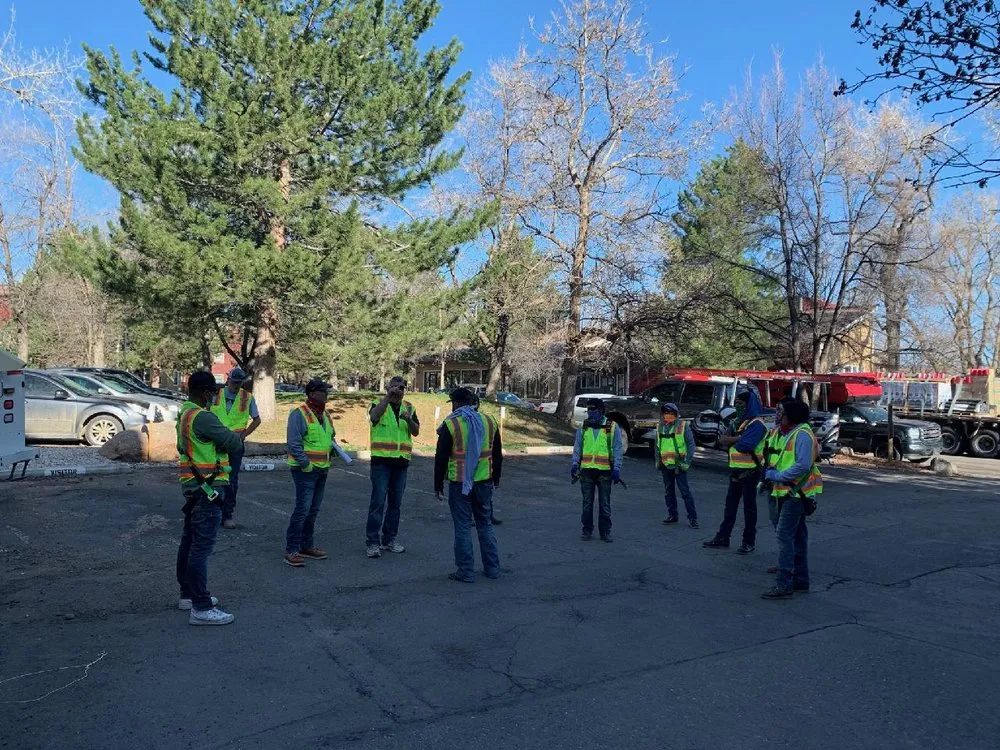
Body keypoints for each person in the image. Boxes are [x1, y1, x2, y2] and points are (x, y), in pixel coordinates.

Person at [175, 370, 243, 626]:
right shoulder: (203, 417)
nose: (216, 396)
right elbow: (234, 443)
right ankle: (201, 607)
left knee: (189, 542)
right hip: (208, 488)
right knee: (201, 548)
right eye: (214, 392)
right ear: (205, 392)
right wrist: (227, 438)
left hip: (194, 486)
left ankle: (188, 596)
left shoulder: (185, 413)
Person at [434, 387, 503, 583]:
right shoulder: (489, 421)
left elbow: (441, 458)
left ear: (455, 403)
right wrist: (496, 477)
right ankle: (492, 568)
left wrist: (438, 484)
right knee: (485, 525)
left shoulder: (451, 424)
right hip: (484, 482)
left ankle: (465, 570)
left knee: (463, 527)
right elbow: (497, 453)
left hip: (460, 483)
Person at [761, 399, 823, 599]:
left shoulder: (802, 435)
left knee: (784, 536)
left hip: (796, 493)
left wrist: (776, 476)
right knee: (797, 536)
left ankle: (784, 583)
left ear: (792, 416)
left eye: (781, 412)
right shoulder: (781, 433)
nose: (778, 415)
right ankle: (800, 579)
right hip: (783, 491)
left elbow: (802, 466)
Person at [703, 388, 767, 554]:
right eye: (736, 403)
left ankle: (748, 541)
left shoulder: (757, 424)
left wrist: (734, 440)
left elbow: (745, 445)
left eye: (741, 403)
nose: (738, 406)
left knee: (749, 509)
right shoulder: (740, 422)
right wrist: (737, 438)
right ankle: (723, 537)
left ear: (749, 404)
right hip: (736, 470)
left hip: (751, 472)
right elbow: (721, 440)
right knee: (730, 507)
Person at [366, 376, 419, 559]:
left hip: (401, 462)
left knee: (395, 504)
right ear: (388, 388)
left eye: (402, 388)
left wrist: (408, 419)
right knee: (378, 502)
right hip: (381, 462)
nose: (398, 391)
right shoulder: (377, 404)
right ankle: (373, 542)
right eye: (395, 387)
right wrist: (387, 398)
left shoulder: (409, 408)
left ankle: (390, 539)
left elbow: (416, 431)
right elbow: (373, 417)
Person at [284, 379, 335, 568]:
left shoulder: (325, 414)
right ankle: (292, 550)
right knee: (302, 510)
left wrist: (334, 449)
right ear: (312, 393)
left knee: (313, 510)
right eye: (324, 391)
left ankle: (307, 545)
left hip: (322, 469)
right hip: (305, 471)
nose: (327, 394)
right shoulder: (299, 414)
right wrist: (306, 464)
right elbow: (293, 444)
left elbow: (330, 437)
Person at [210, 367, 261, 529]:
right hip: (215, 443)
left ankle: (227, 515)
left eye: (239, 383)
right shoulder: (215, 394)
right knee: (213, 478)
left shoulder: (247, 397)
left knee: (231, 481)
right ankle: (213, 513)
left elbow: (257, 420)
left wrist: (244, 434)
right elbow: (204, 413)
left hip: (235, 445)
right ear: (228, 379)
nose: (236, 385)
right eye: (234, 382)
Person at [571, 398, 624, 543]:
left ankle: (605, 532)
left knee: (604, 503)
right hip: (587, 470)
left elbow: (618, 449)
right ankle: (587, 529)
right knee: (587, 503)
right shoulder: (584, 426)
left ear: (601, 411)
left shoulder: (612, 427)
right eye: (588, 410)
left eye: (592, 410)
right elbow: (578, 446)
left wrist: (617, 468)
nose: (590, 413)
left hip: (605, 471)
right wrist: (575, 463)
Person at [655, 402, 698, 528]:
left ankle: (693, 518)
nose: (668, 415)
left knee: (685, 492)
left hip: (679, 465)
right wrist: (657, 462)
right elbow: (657, 445)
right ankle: (673, 515)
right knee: (669, 492)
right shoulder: (660, 426)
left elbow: (691, 445)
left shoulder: (683, 426)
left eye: (670, 413)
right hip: (665, 465)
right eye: (666, 413)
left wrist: (687, 463)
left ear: (676, 414)